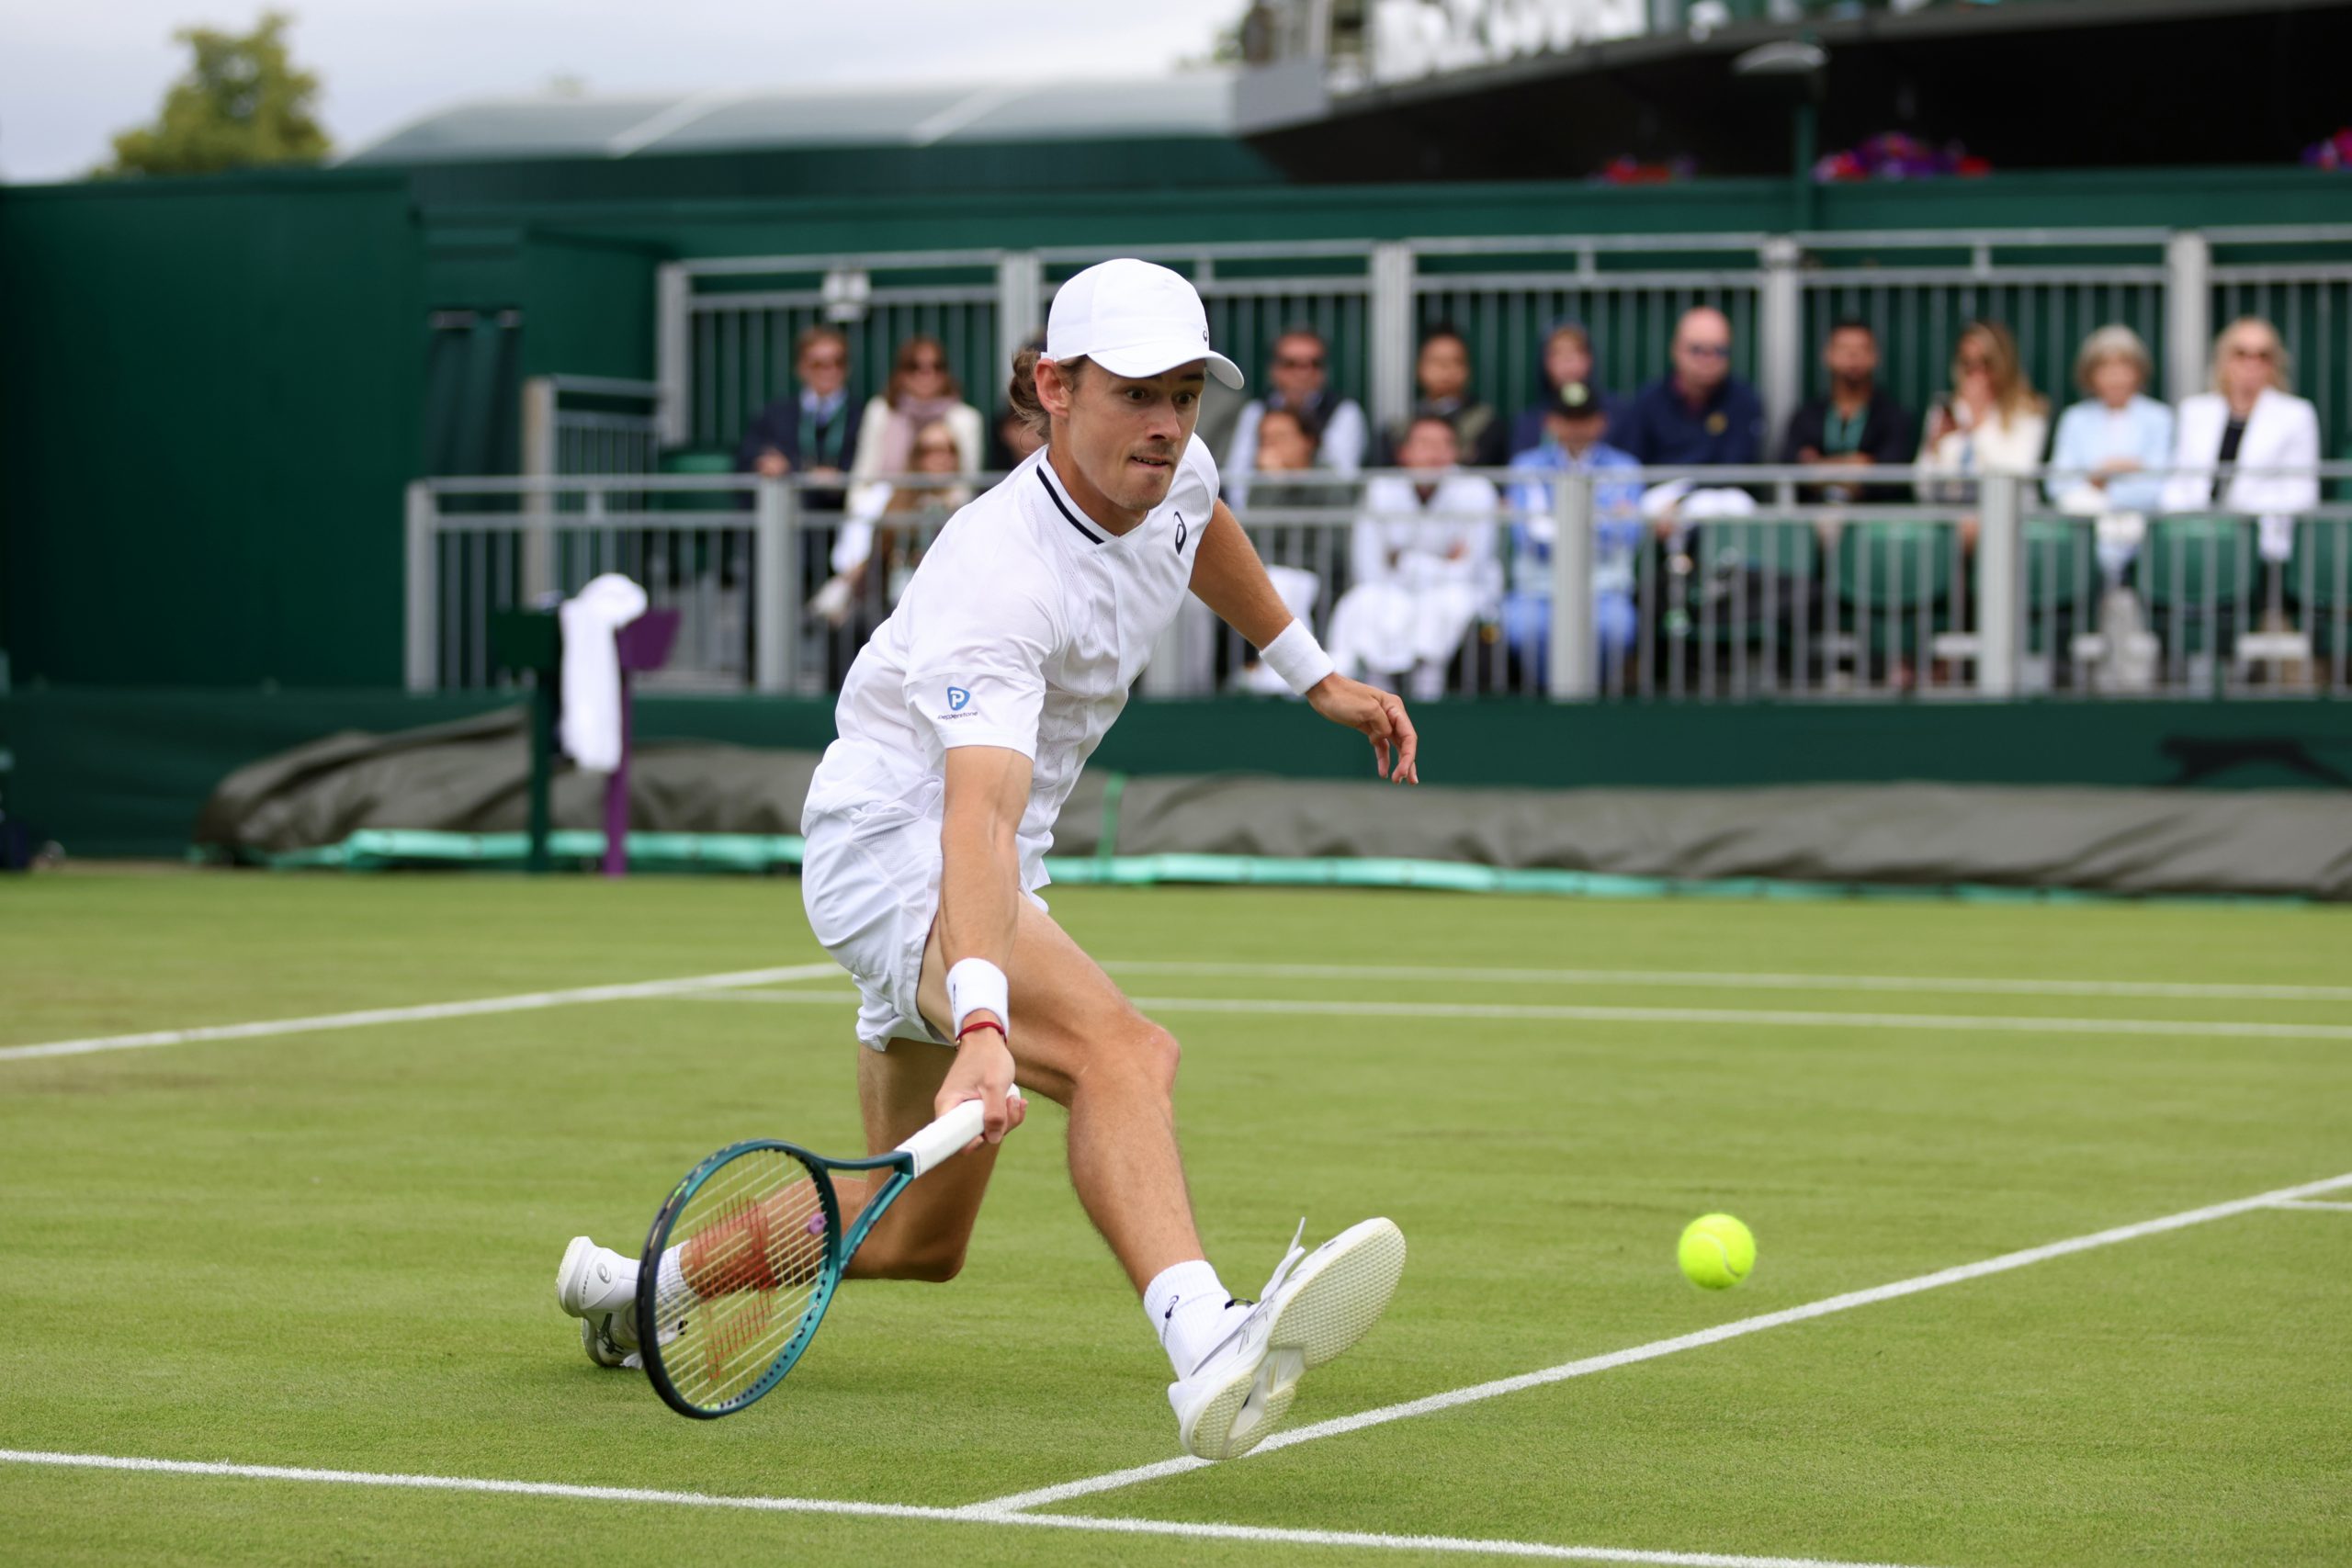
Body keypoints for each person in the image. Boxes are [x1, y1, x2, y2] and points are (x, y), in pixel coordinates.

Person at [554, 259, 1416, 1463]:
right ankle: (1208, 1338)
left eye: (1183, 392)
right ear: (1055, 388)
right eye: (1133, 393)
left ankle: (644, 1284)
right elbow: (977, 819)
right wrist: (980, 1025)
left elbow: (1202, 527)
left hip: (980, 853)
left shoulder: (1178, 466)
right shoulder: (997, 572)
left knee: (912, 1236)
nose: (1165, 423)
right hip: (895, 842)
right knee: (1127, 1052)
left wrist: (1311, 672)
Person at [1328, 414, 1502, 698]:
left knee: (1448, 603)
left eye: (1444, 444)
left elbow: (1471, 570)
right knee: (1366, 601)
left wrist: (1404, 561)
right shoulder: (1380, 490)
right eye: (1423, 443)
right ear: (1404, 452)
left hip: (1460, 592)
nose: (1434, 453)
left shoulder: (1477, 490)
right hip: (1391, 590)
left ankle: (1428, 694)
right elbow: (1368, 568)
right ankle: (1377, 695)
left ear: (1456, 452)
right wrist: (1444, 562)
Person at [1504, 382, 1644, 687]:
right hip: (1538, 589)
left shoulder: (1625, 467)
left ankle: (1589, 698)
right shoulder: (1525, 466)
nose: (1575, 427)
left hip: (1605, 588)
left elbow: (1629, 534)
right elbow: (1526, 537)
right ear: (1551, 422)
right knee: (1524, 628)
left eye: (1584, 418)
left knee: (1616, 628)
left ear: (1601, 422)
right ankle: (1555, 700)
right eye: (1567, 418)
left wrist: (1555, 531)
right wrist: (1601, 525)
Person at [2162, 316, 2320, 566]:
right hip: (2195, 537)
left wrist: (2236, 517)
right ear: (2224, 359)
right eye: (2241, 353)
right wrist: (2193, 521)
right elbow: (2178, 481)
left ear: (2274, 363)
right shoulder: (2194, 411)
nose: (2251, 363)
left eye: (2262, 355)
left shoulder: (2296, 415)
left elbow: (2302, 492)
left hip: (2262, 544)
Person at [2047, 324, 2174, 580]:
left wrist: (2097, 486)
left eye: (2124, 366)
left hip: (2142, 534)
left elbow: (2158, 486)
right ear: (2090, 375)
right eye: (2105, 367)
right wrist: (2111, 472)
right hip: (2086, 536)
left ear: (2139, 372)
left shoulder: (2159, 417)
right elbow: (2057, 484)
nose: (2115, 377)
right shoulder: (2075, 419)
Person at [1222, 327, 1369, 508]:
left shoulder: (1344, 410)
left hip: (1321, 516)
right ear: (1274, 369)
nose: (1303, 373)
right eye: (1291, 364)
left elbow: (1342, 477)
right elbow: (1237, 475)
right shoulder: (1256, 410)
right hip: (1264, 517)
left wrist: (1294, 466)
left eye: (1314, 364)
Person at [1917, 321, 2049, 513]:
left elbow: (2015, 474)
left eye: (1986, 363)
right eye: (1967, 364)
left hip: (2008, 518)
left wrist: (1976, 427)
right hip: (1951, 520)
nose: (1977, 373)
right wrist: (1933, 448)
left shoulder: (2028, 411)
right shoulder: (1945, 410)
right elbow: (1922, 486)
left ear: (2003, 364)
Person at [1612, 306, 1764, 470]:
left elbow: (1737, 464)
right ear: (1676, 350)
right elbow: (1631, 462)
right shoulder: (1649, 402)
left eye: (1719, 351)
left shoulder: (1744, 402)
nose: (1708, 360)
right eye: (1697, 350)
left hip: (1722, 493)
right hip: (1662, 492)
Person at [1779, 320, 1917, 502]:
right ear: (1827, 355)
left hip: (1873, 521)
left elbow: (1889, 476)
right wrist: (1860, 465)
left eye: (1862, 349)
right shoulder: (1807, 416)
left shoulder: (1893, 416)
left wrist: (1818, 468)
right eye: (1844, 348)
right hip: (1812, 520)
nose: (1853, 356)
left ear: (1875, 356)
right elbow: (1790, 469)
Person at [734, 326, 862, 509]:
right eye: (818, 364)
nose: (829, 370)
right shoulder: (775, 415)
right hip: (787, 521)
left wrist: (840, 477)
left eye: (838, 362)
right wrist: (770, 463)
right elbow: (748, 456)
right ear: (801, 368)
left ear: (847, 368)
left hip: (843, 520)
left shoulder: (863, 416)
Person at [850, 333, 986, 483]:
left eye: (936, 366)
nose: (926, 374)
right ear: (901, 373)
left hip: (947, 504)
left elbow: (967, 482)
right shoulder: (880, 411)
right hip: (887, 503)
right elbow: (863, 474)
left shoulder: (966, 419)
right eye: (914, 366)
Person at [1383, 325, 1508, 468]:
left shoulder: (1489, 426)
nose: (1445, 369)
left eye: (1455, 361)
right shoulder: (1398, 429)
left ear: (1468, 371)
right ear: (1419, 368)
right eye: (1436, 361)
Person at [1507, 322, 1612, 457]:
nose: (1568, 361)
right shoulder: (1527, 423)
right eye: (1557, 353)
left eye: (1577, 351)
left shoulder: (1616, 415)